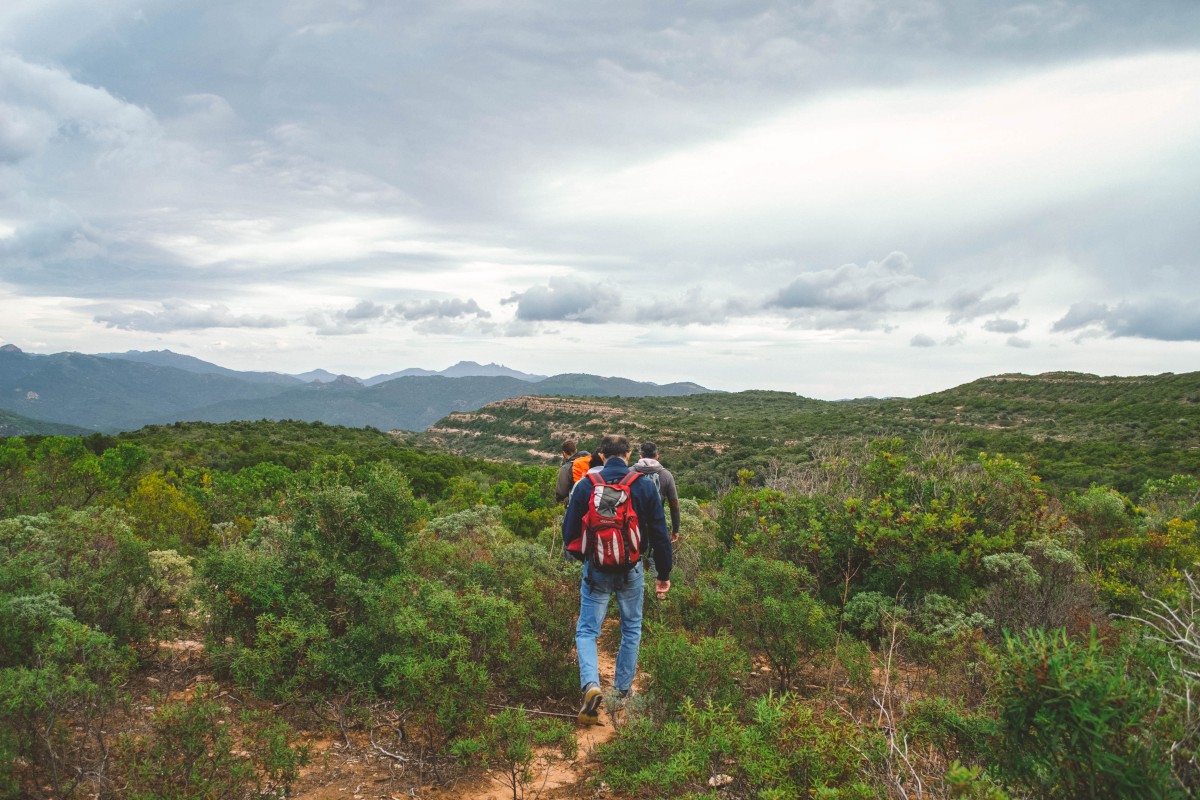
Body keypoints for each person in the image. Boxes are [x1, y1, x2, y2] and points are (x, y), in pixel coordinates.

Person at [562, 433, 672, 725]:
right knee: (631, 628)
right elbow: (660, 534)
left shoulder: (587, 484)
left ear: (601, 454)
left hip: (596, 569)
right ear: (627, 454)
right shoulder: (644, 486)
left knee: (587, 630)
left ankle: (590, 685)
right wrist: (663, 574)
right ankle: (621, 693)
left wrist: (583, 559)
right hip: (632, 570)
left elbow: (569, 531)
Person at [633, 441, 681, 544]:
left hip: (633, 524)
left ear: (640, 456)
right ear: (657, 456)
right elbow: (674, 505)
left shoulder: (629, 472)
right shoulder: (666, 475)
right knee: (654, 556)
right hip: (656, 523)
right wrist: (675, 529)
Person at [554, 439, 591, 504]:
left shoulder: (566, 468)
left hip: (578, 503)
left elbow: (561, 493)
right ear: (576, 450)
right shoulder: (591, 460)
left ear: (564, 453)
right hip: (593, 500)